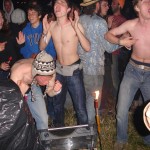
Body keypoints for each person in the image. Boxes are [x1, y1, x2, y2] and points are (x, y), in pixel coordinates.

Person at [105, 0, 150, 149]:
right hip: (132, 71)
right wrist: (121, 41)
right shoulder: (131, 24)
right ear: (137, 7)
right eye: (145, 1)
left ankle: (148, 139)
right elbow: (108, 35)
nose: (149, 4)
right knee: (122, 109)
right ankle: (121, 139)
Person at [40, 0, 90, 127]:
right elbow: (42, 46)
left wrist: (76, 28)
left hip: (74, 71)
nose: (57, 6)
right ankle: (59, 133)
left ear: (68, 9)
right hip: (59, 71)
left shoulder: (76, 25)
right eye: (56, 3)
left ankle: (84, 136)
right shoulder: (52, 26)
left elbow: (87, 47)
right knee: (57, 105)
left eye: (61, 3)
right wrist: (44, 32)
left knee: (80, 107)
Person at [10, 50, 62, 150]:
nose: (47, 81)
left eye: (49, 78)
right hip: (18, 87)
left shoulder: (50, 70)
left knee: (43, 118)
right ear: (36, 72)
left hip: (33, 86)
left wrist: (56, 90)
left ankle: (44, 145)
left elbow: (50, 92)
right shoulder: (19, 71)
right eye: (44, 78)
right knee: (20, 119)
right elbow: (13, 101)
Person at [79, 0, 118, 126]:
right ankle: (91, 130)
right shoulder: (99, 22)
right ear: (96, 5)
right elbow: (109, 47)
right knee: (93, 101)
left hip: (79, 67)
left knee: (84, 99)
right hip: (94, 69)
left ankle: (84, 127)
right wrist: (122, 41)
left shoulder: (79, 19)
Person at [107, 0, 127, 98]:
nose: (111, 5)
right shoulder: (108, 17)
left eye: (114, 3)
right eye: (111, 3)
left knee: (114, 78)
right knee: (108, 79)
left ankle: (119, 99)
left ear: (119, 5)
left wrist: (110, 28)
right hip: (105, 51)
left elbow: (124, 39)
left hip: (114, 52)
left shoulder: (123, 20)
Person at [0, 9, 24, 80]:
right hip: (3, 73)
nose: (1, 20)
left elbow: (14, 47)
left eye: (1, 17)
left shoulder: (7, 31)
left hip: (15, 66)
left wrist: (20, 44)